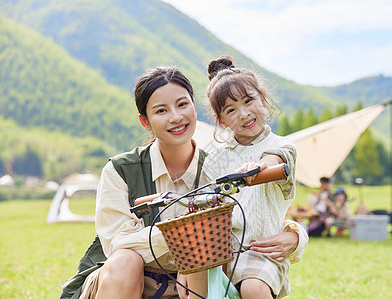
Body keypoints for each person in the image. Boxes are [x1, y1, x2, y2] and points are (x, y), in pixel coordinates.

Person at [60, 66, 304, 299]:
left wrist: (295, 235)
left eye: (182, 104)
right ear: (146, 121)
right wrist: (185, 237)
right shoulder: (121, 170)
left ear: (195, 107)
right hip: (122, 281)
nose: (176, 117)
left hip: (186, 283)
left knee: (204, 265)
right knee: (126, 260)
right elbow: (116, 242)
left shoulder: (218, 167)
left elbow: (250, 210)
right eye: (161, 111)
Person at [200, 56, 308, 298]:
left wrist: (257, 168)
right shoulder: (215, 159)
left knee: (253, 287)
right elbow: (206, 204)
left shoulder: (281, 145)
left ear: (263, 96)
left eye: (248, 101)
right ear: (221, 120)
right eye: (231, 109)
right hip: (223, 254)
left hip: (264, 252)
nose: (244, 114)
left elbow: (277, 158)